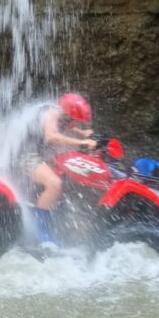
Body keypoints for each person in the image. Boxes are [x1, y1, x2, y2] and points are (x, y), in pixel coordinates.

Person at [23, 93, 97, 247]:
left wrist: (82, 133)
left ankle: (53, 220)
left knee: (65, 175)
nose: (76, 124)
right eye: (76, 120)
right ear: (68, 115)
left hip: (37, 155)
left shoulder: (61, 115)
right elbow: (52, 136)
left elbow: (68, 126)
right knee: (54, 183)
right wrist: (83, 143)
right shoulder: (50, 113)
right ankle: (41, 234)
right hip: (25, 156)